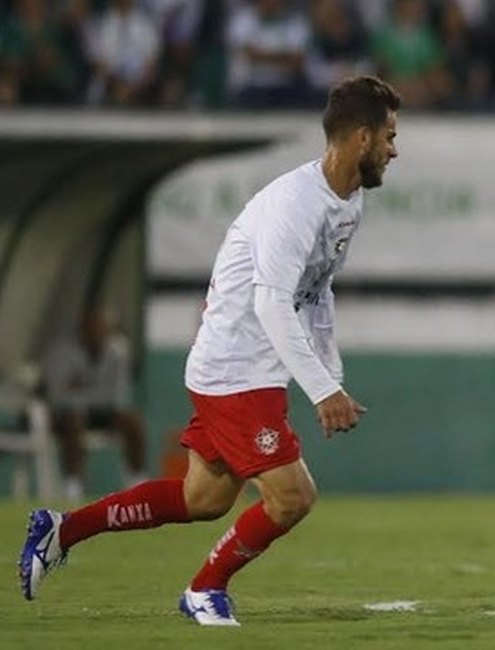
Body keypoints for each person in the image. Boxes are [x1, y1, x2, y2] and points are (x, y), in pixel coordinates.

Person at [19, 75, 401, 626]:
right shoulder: (294, 206)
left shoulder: (348, 201)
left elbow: (317, 292)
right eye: (389, 134)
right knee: (292, 497)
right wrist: (322, 391)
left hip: (250, 368)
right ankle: (204, 589)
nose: (395, 148)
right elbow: (272, 306)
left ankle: (62, 528)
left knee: (204, 499)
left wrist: (330, 374)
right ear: (361, 138)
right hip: (236, 369)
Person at [43, 307, 148, 502]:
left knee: (133, 422)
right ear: (82, 329)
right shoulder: (63, 351)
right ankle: (72, 485)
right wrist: (88, 393)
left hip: (103, 412)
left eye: (102, 327)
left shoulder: (118, 351)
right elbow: (59, 395)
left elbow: (117, 395)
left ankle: (137, 482)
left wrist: (80, 387)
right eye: (92, 327)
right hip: (65, 415)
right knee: (74, 420)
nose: (97, 332)